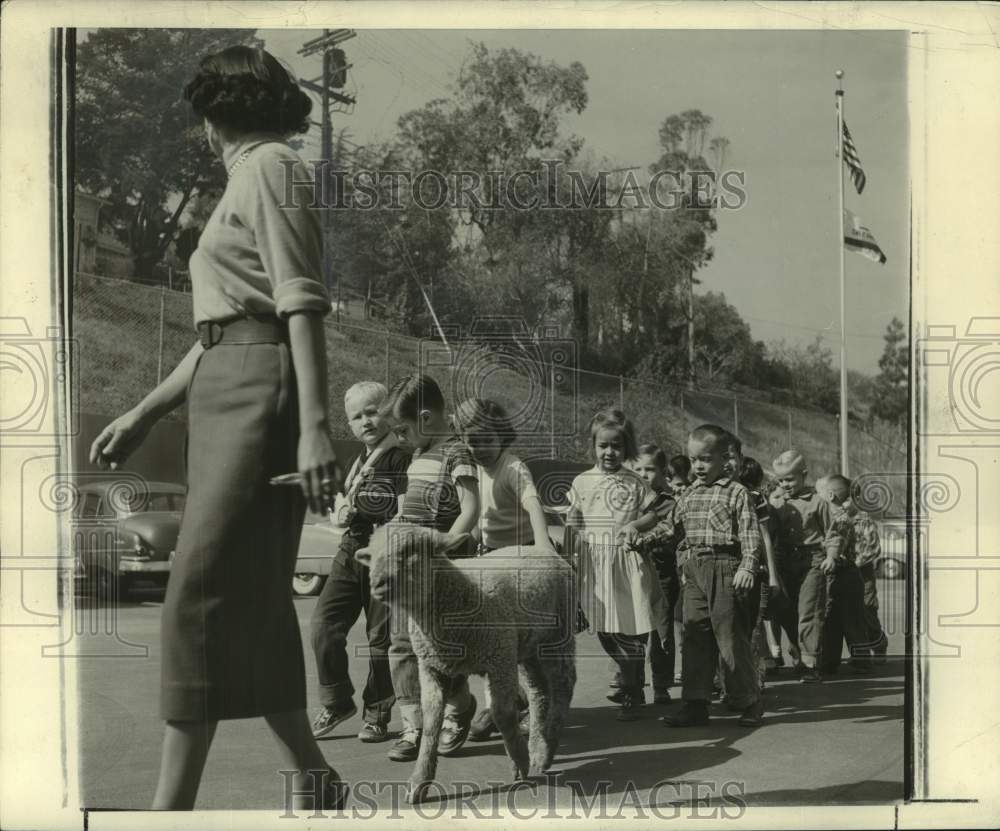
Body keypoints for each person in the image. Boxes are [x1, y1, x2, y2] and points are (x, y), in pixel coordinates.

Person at [90, 46, 345, 811]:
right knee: (254, 598)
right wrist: (147, 408)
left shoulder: (271, 166)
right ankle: (314, 773)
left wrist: (316, 428)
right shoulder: (249, 175)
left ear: (213, 113)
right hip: (223, 385)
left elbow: (298, 302)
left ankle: (171, 809)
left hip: (259, 392)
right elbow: (218, 333)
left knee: (195, 594)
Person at [382, 374, 480, 762]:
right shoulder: (415, 456)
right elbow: (408, 511)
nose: (399, 438)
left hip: (442, 567)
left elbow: (469, 509)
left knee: (442, 648)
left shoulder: (456, 453)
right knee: (402, 641)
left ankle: (458, 709)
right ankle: (414, 723)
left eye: (402, 430)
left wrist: (443, 545)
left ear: (425, 417)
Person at [309, 382, 411, 743]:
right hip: (350, 551)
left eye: (372, 411)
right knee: (324, 626)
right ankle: (337, 701)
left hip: (383, 556)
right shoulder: (357, 462)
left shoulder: (401, 456)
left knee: (380, 639)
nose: (366, 421)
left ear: (388, 412)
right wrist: (342, 508)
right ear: (349, 425)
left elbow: (404, 512)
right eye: (357, 416)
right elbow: (342, 502)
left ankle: (377, 713)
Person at [452, 398, 555, 741]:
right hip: (490, 559)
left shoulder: (513, 467)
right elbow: (482, 519)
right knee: (491, 639)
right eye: (470, 439)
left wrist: (543, 548)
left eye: (484, 439)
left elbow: (532, 504)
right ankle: (502, 703)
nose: (477, 447)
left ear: (501, 436)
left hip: (522, 559)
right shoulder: (473, 471)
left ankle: (535, 704)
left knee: (524, 640)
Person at [662, 424, 764, 729]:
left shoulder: (737, 492)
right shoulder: (689, 493)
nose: (699, 466)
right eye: (694, 460)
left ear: (726, 458)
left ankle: (748, 700)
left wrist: (748, 566)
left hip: (725, 567)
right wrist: (644, 537)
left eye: (706, 459)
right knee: (694, 636)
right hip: (694, 569)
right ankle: (695, 704)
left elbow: (750, 534)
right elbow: (671, 528)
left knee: (729, 637)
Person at [566, 409, 661, 721]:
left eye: (616, 446)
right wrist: (570, 552)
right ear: (593, 446)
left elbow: (653, 514)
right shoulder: (582, 481)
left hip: (625, 563)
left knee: (630, 629)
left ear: (627, 448)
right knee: (604, 629)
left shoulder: (634, 482)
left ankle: (634, 690)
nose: (609, 452)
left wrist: (635, 526)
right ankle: (629, 677)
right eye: (603, 445)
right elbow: (573, 521)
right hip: (594, 565)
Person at [771, 450, 847, 683]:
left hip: (812, 561)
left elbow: (833, 533)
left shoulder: (819, 503)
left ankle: (810, 663)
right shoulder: (776, 502)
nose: (785, 485)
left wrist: (831, 556)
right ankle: (798, 650)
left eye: (790, 479)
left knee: (809, 612)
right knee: (786, 611)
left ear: (804, 475)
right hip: (783, 562)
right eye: (781, 480)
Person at [629, 444, 681, 705]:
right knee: (632, 628)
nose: (643, 474)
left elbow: (668, 532)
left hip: (661, 570)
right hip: (631, 570)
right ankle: (632, 684)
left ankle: (661, 683)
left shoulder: (669, 501)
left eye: (650, 469)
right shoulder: (629, 498)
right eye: (637, 468)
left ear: (663, 472)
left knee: (662, 629)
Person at [816, 474, 879, 674]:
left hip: (848, 573)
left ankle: (859, 661)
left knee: (852, 619)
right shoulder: (830, 515)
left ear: (830, 495)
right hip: (840, 573)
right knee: (832, 619)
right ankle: (830, 661)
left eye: (818, 494)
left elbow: (837, 545)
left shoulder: (838, 518)